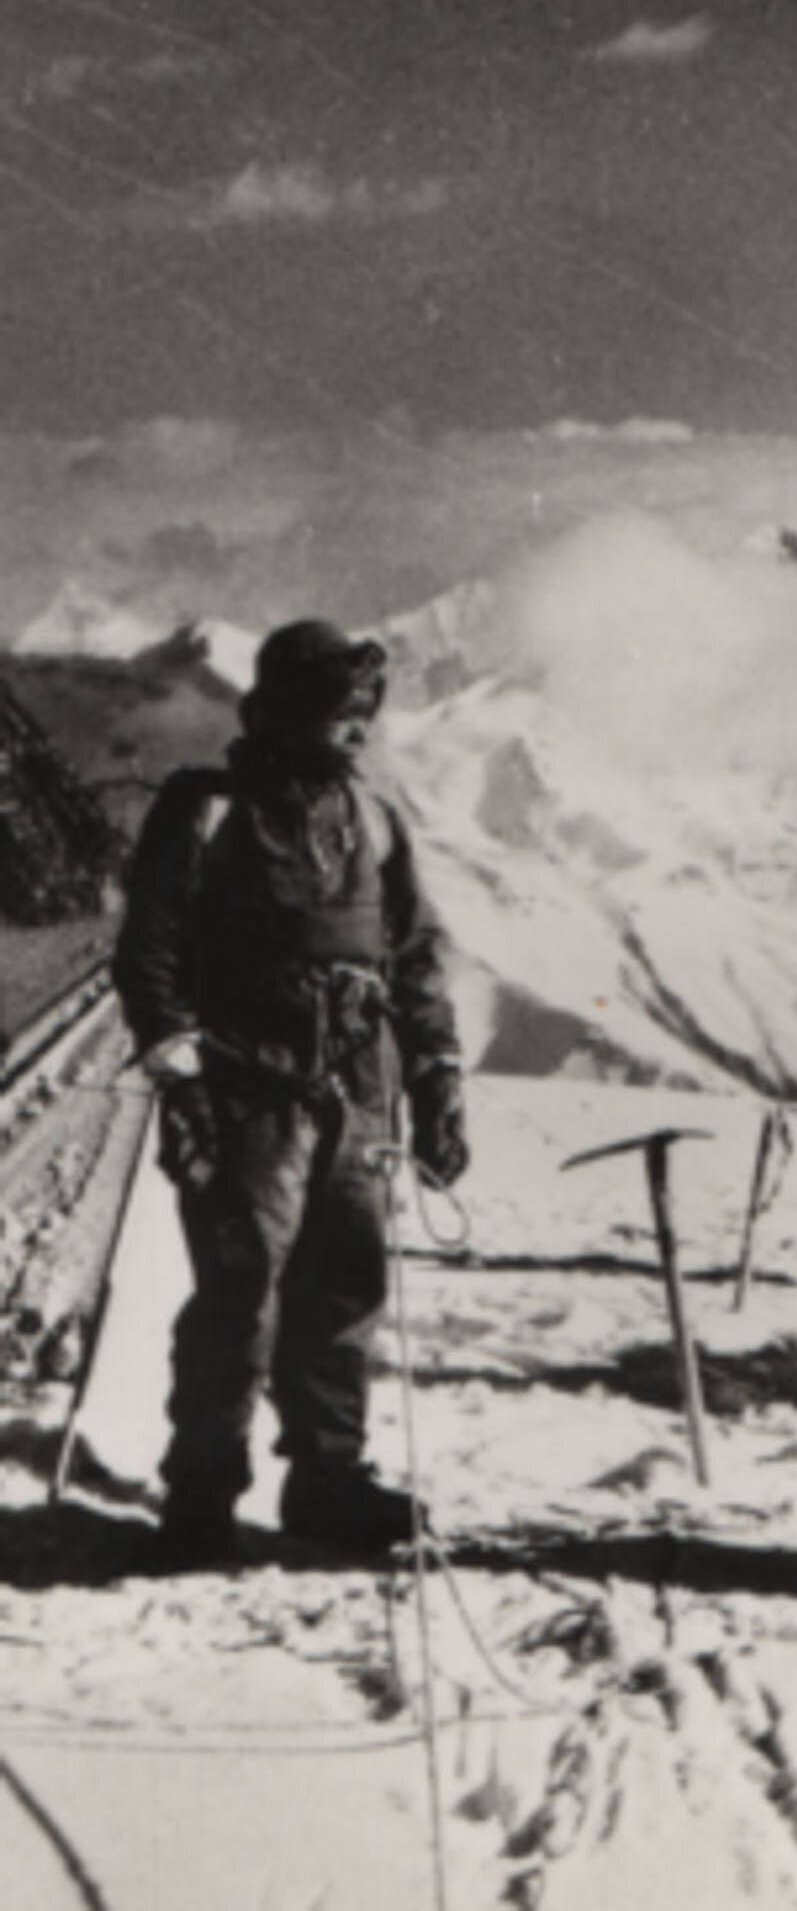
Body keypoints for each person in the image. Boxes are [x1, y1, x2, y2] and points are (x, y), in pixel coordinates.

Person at [114, 619, 469, 1571]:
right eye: (337, 711)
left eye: (365, 713)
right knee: (240, 1293)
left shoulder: (378, 817)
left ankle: (328, 1480)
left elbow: (418, 959)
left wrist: (436, 1081)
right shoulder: (206, 811)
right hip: (243, 1095)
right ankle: (201, 1492)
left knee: (344, 1288)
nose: (357, 729)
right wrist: (180, 1081)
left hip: (355, 1090)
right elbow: (149, 957)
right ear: (281, 711)